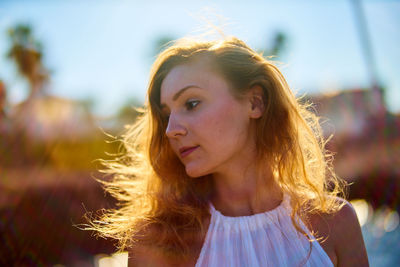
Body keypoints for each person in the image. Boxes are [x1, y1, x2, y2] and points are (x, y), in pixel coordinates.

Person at [89, 36, 369, 266]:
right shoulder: (157, 243)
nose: (170, 129)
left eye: (191, 103)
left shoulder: (336, 222)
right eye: (166, 115)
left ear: (255, 103)